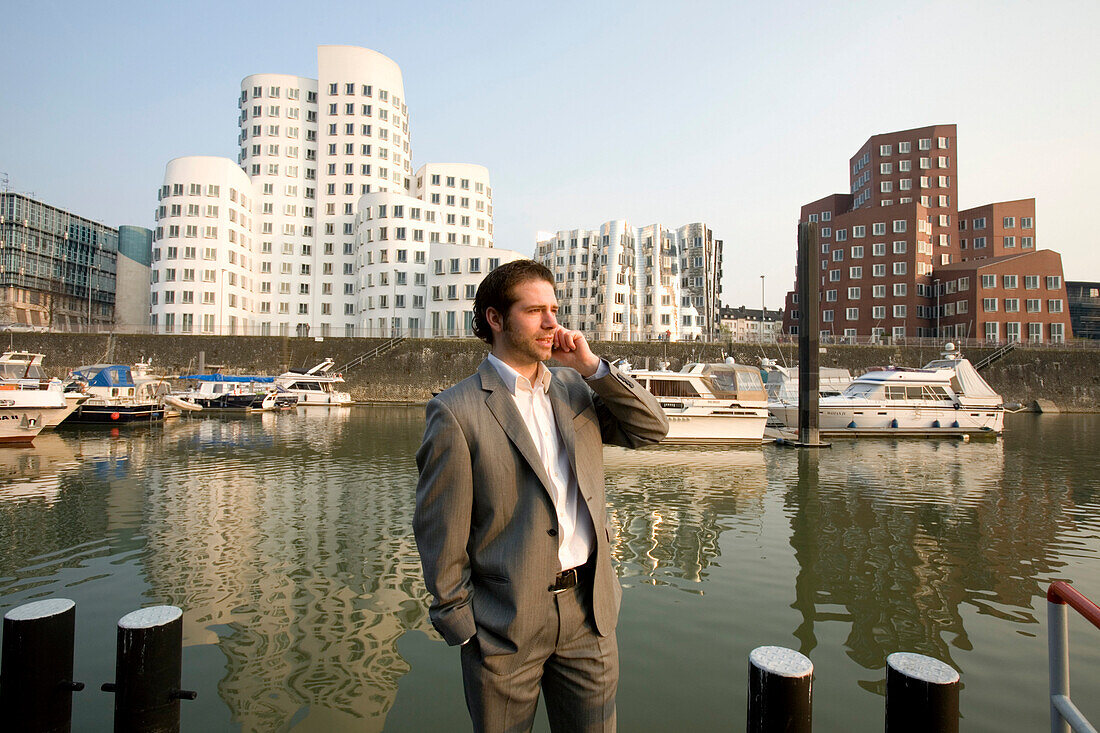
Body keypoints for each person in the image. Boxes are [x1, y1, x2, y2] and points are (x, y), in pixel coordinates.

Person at [414, 259, 668, 732]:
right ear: (496, 319)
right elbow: (438, 532)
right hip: (504, 627)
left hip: (589, 618)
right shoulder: (455, 411)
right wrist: (465, 629)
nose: (553, 323)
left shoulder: (577, 389)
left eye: (554, 309)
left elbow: (651, 429)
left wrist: (593, 367)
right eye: (535, 312)